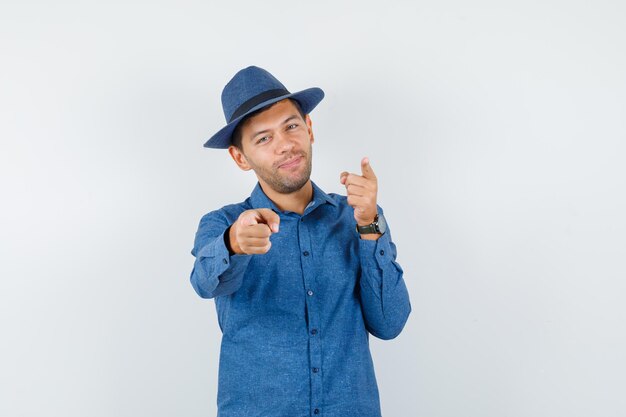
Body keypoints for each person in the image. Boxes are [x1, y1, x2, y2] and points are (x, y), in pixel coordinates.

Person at [189, 65, 412, 417]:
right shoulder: (223, 224)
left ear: (309, 128)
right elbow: (204, 282)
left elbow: (390, 322)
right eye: (264, 138)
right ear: (240, 157)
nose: (285, 146)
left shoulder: (356, 216)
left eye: (291, 126)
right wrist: (234, 243)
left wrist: (370, 226)